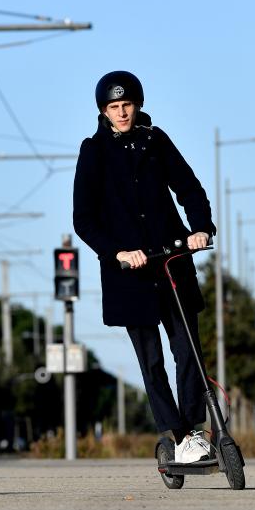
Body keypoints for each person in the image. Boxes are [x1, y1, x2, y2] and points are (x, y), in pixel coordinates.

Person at [73, 71, 216, 464]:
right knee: (151, 360)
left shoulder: (156, 141)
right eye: (114, 107)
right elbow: (83, 219)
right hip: (130, 275)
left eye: (127, 105)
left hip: (171, 260)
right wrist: (117, 252)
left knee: (188, 351)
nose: (122, 113)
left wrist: (200, 228)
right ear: (103, 110)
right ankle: (179, 433)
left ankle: (194, 432)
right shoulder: (93, 152)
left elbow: (188, 187)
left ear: (138, 104)